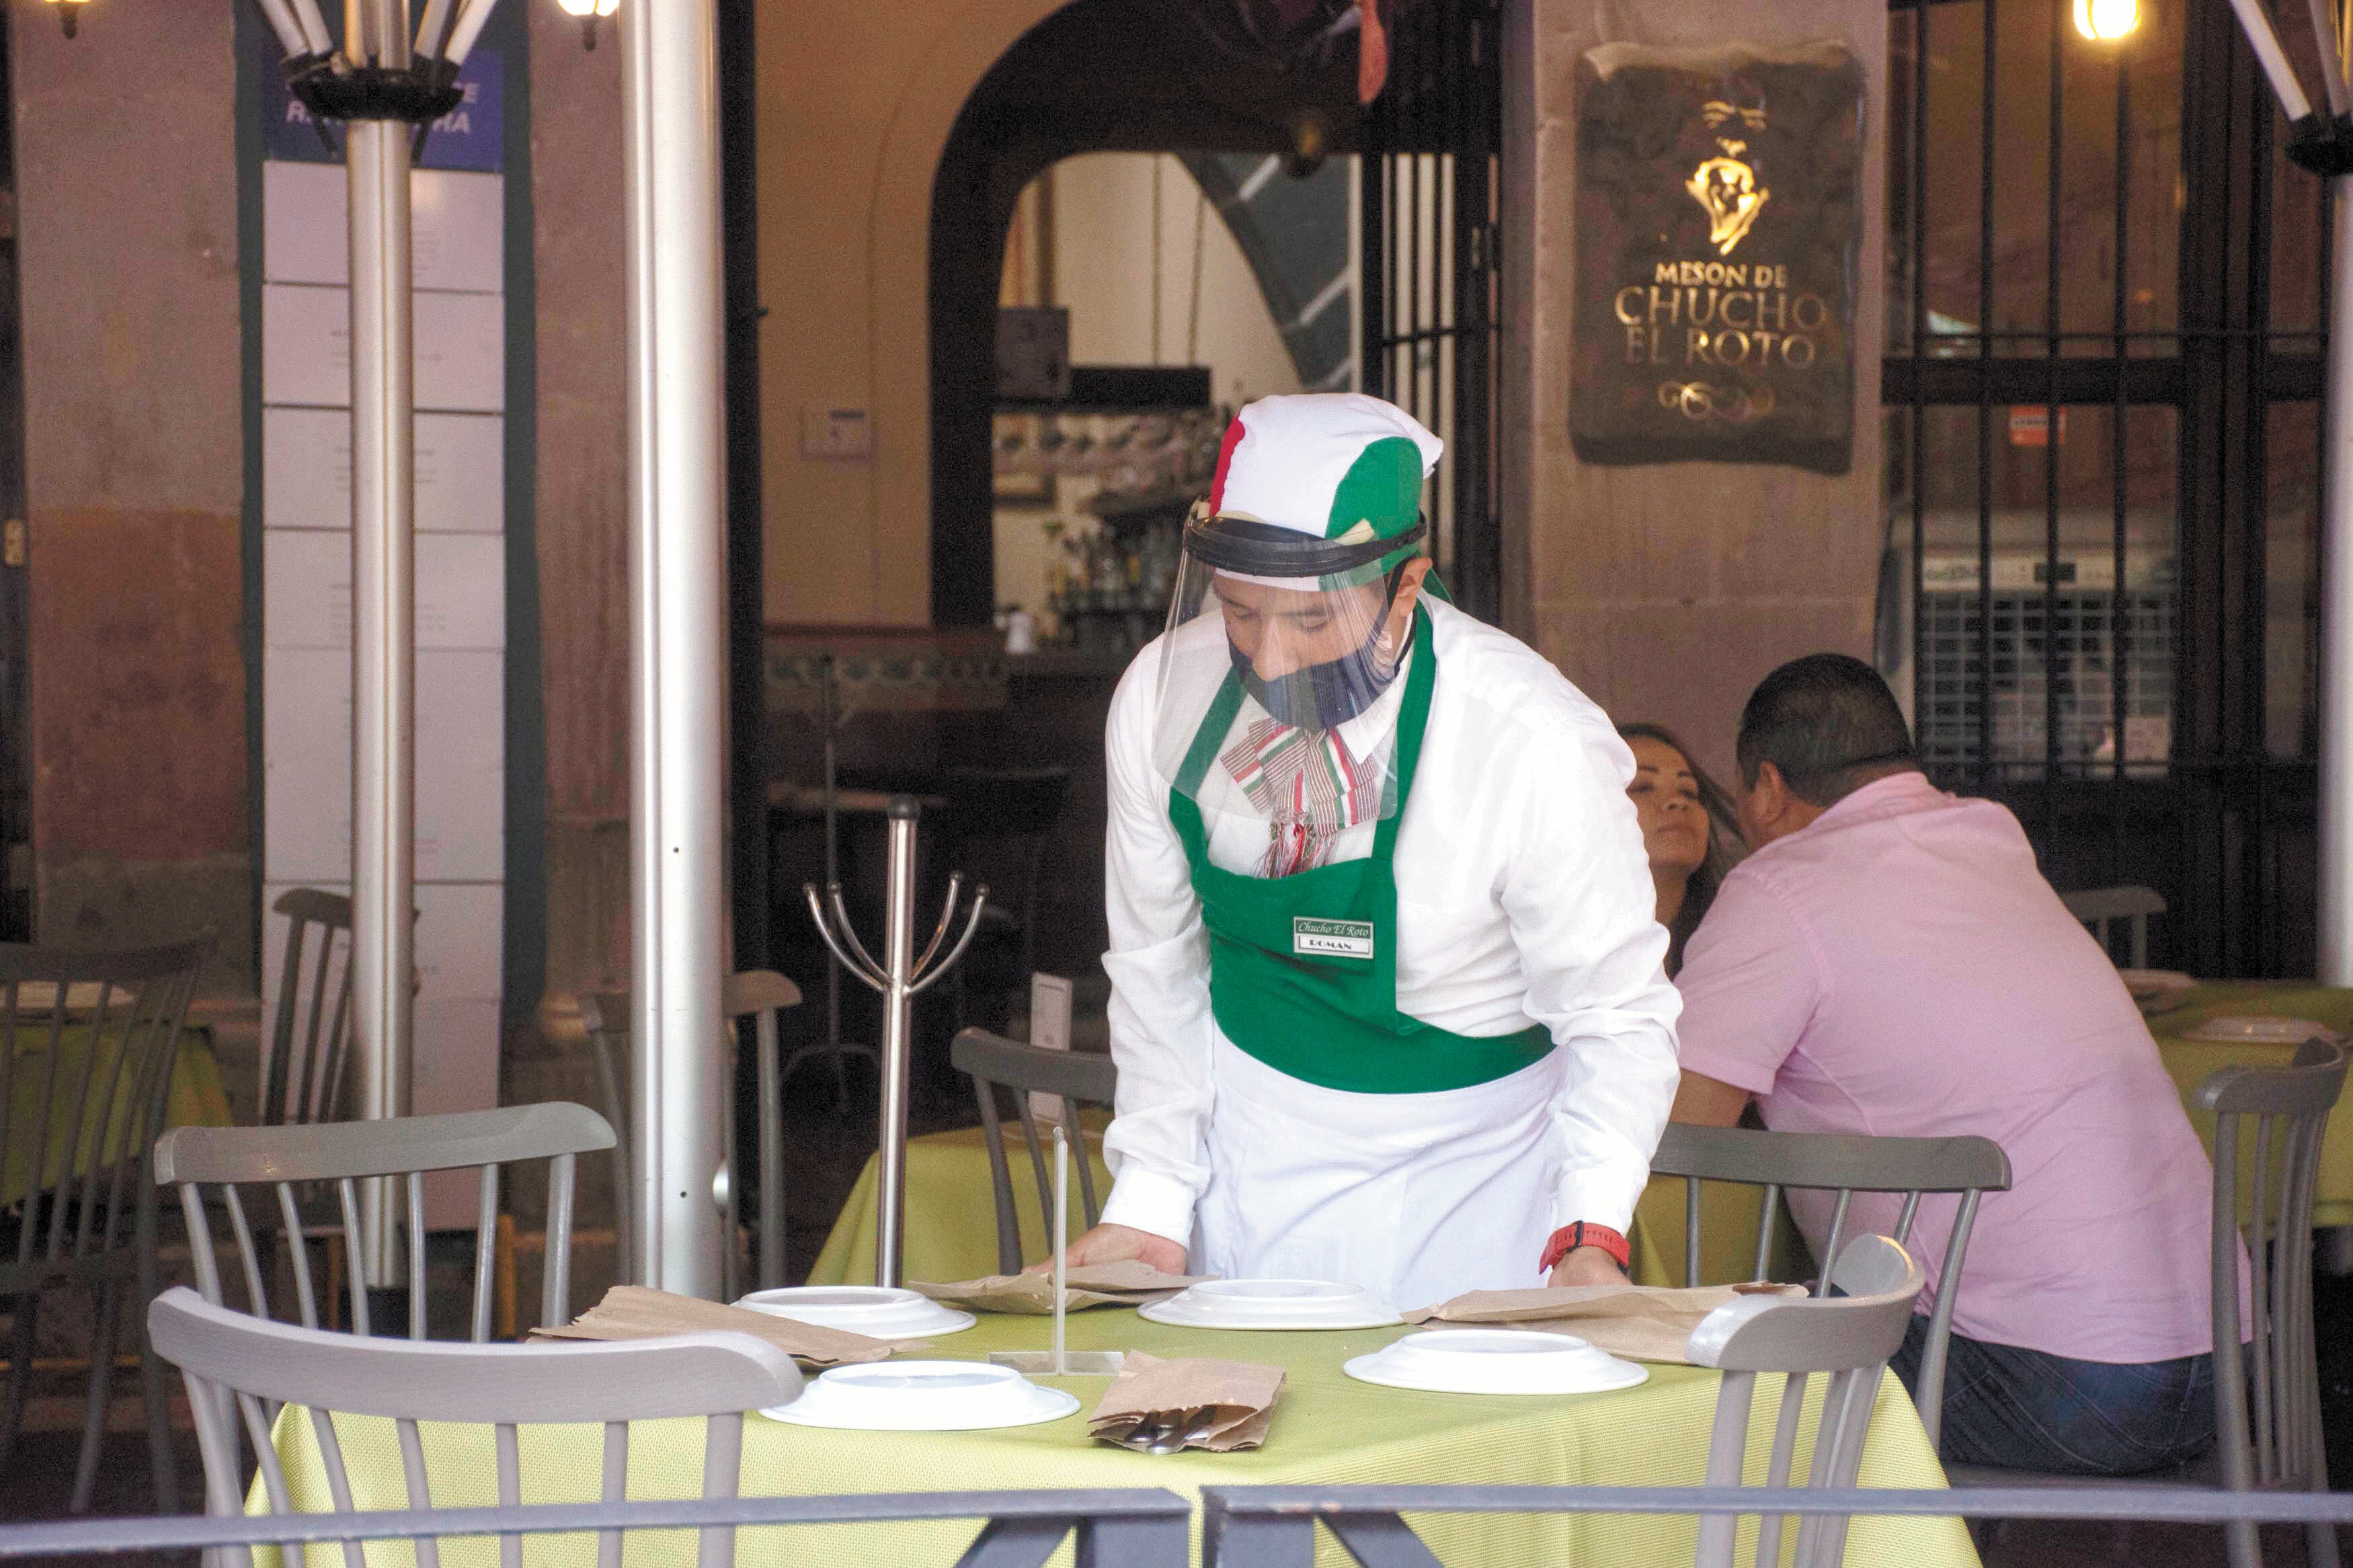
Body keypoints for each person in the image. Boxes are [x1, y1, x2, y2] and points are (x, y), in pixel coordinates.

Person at [1051, 393, 1681, 1310]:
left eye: (1311, 624)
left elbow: (1618, 1013)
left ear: (1408, 587)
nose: (1269, 660)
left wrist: (1590, 1227)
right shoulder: (1161, 702)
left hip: (1479, 1182)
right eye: (1238, 612)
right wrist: (1153, 1195)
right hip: (1247, 1172)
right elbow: (1158, 967)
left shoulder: (1526, 737)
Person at [1671, 652, 2235, 1476]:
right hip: (2219, 1367)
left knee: (1721, 1378)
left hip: (2062, 1381)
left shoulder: (1778, 884)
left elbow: (1678, 1128)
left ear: (1764, 786)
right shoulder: (1987, 837)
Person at [1617, 723, 1743, 976]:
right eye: (1642, 787)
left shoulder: (1741, 935)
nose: (1678, 803)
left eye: (1688, 792)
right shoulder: (1549, 946)